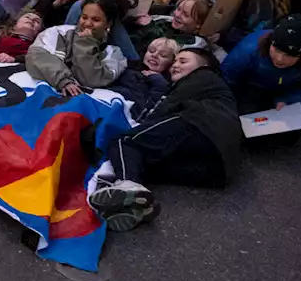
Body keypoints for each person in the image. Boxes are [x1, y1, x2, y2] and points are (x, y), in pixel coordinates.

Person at [88, 47, 240, 232]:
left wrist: (139, 129)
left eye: (183, 61)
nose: (175, 65)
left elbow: (164, 108)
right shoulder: (214, 90)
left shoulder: (203, 76)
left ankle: (126, 184)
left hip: (201, 124)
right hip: (219, 171)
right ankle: (135, 206)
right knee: (141, 163)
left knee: (124, 141)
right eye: (174, 62)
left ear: (204, 66)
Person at [25, 0, 129, 96]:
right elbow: (35, 55)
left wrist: (86, 44)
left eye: (96, 20)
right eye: (84, 17)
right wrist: (63, 80)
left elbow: (90, 80)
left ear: (108, 23)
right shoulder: (58, 32)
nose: (87, 23)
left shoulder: (115, 55)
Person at [220, 14, 301, 113]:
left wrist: (290, 101)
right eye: (276, 50)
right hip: (252, 88)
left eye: (289, 55)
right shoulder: (248, 51)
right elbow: (226, 81)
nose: (279, 59)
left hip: (290, 90)